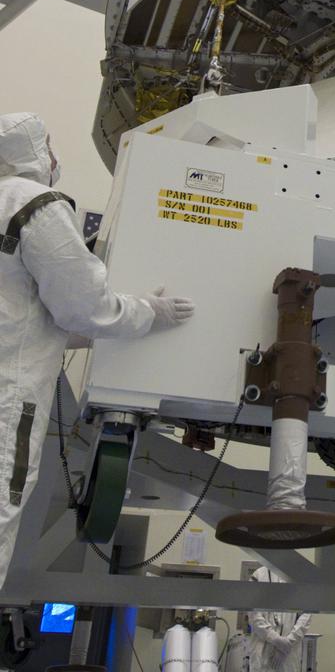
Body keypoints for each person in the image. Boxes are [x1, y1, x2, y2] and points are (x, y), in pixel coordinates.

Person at [0, 112, 195, 589]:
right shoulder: (35, 205)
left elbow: (22, 317)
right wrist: (149, 313)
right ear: (35, 153)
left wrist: (81, 333)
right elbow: (88, 308)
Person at [248, 565, 312, 672]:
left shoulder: (300, 578)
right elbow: (254, 616)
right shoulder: (258, 575)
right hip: (262, 655)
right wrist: (276, 639)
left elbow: (306, 616)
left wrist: (287, 643)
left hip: (288, 657)